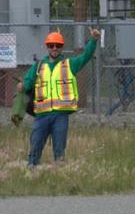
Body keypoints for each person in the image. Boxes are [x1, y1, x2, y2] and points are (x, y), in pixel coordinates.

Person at [17, 27, 101, 167]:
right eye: (51, 45)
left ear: (62, 47)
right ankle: (32, 170)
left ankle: (59, 171)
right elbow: (28, 81)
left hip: (60, 115)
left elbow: (86, 56)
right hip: (41, 115)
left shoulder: (69, 65)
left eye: (58, 45)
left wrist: (93, 40)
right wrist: (22, 86)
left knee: (59, 148)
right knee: (35, 145)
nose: (54, 48)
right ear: (47, 47)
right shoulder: (38, 66)